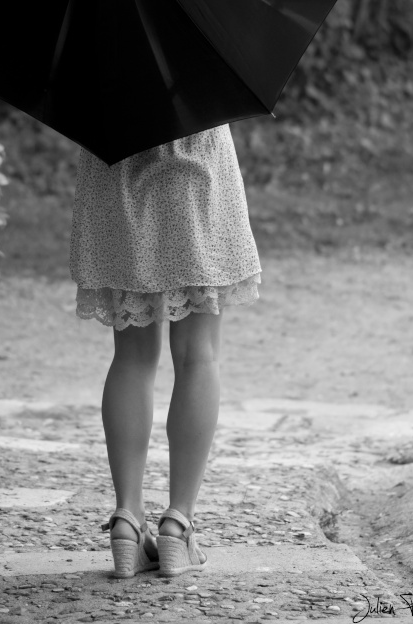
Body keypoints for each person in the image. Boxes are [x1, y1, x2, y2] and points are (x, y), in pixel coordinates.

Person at [69, 124, 261, 578]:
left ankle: (127, 522)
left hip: (112, 175)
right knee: (199, 356)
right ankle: (177, 524)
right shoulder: (200, 55)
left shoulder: (97, 55)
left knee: (132, 358)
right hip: (194, 173)